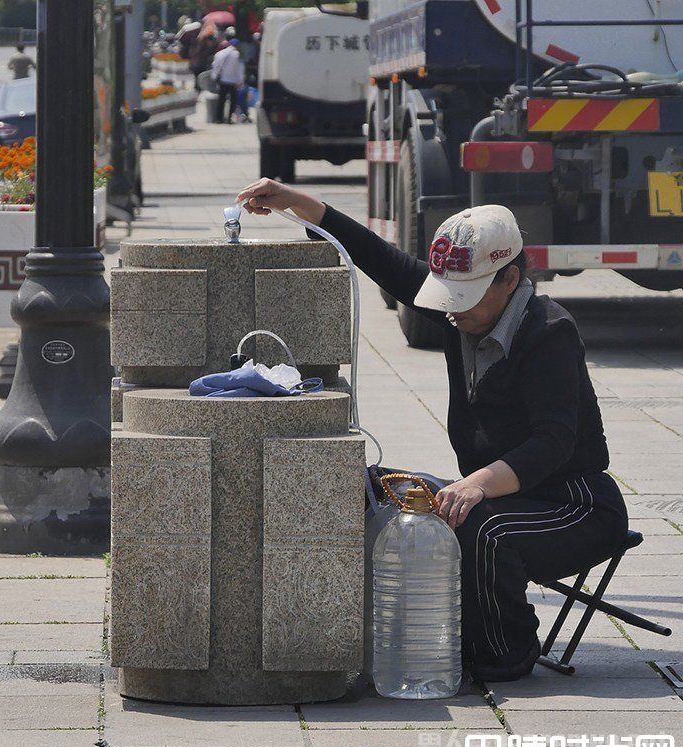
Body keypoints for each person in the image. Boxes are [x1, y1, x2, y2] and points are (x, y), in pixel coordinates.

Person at [234, 180, 628, 683]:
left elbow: (554, 442)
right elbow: (384, 261)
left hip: (573, 503)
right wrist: (297, 202)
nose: (454, 308)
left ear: (509, 279)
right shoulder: (458, 316)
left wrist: (475, 485)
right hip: (498, 496)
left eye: (468, 295)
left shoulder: (549, 331)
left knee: (483, 529)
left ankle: (506, 652)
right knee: (374, 486)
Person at [211, 38, 243, 123]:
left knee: (221, 100)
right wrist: (240, 80)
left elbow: (215, 66)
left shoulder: (220, 53)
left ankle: (219, 118)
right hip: (233, 81)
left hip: (222, 80)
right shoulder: (237, 55)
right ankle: (229, 118)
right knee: (233, 101)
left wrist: (214, 76)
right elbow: (240, 69)